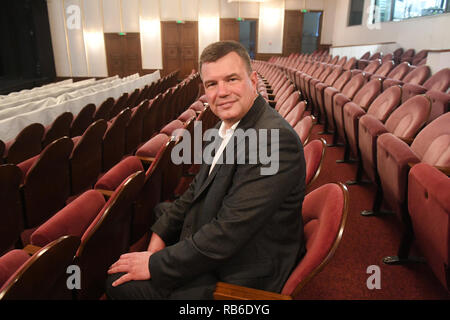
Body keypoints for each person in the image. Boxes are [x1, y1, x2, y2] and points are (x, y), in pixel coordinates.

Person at [105, 40, 306, 299]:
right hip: (225, 233)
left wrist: (155, 264)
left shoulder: (273, 140)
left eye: (231, 79)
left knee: (117, 283)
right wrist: (159, 237)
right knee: (161, 215)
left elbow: (229, 233)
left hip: (242, 270)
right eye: (212, 84)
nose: (221, 92)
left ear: (253, 80)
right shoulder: (226, 126)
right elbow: (195, 190)